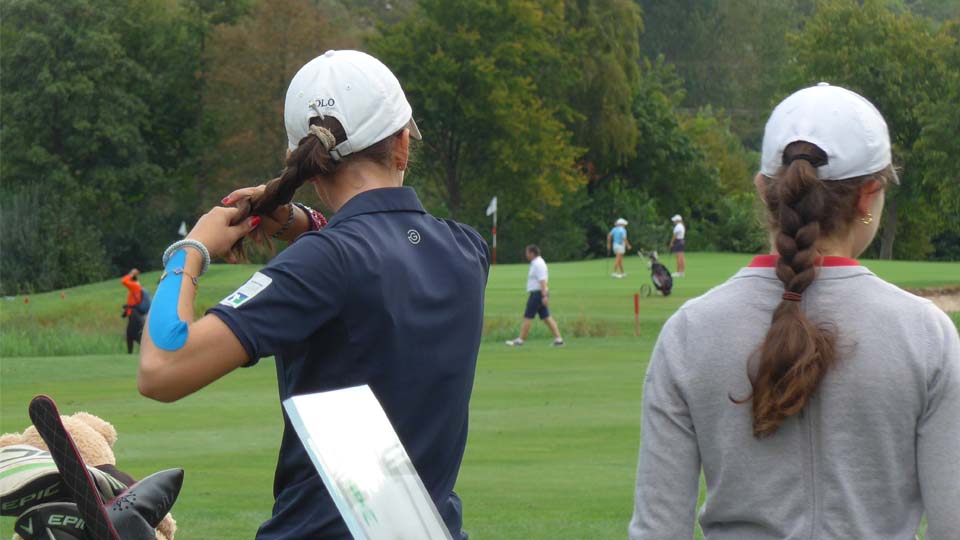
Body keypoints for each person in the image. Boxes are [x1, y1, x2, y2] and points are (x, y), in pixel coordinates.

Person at [138, 50, 490, 540]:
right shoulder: (468, 249)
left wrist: (191, 250)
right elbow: (379, 249)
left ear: (308, 164)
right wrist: (304, 225)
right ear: (402, 145)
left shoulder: (325, 261)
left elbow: (162, 369)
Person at [629, 83, 960, 539]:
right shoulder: (926, 335)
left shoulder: (690, 330)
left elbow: (657, 529)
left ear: (763, 188)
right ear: (869, 195)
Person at [505, 245, 564, 347]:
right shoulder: (536, 263)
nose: (526, 255)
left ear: (532, 253)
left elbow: (542, 280)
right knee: (546, 317)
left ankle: (520, 340)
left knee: (528, 316)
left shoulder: (538, 264)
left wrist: (544, 295)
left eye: (527, 252)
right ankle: (559, 339)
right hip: (539, 293)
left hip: (538, 294)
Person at [120, 268, 145, 354]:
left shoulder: (134, 286)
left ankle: (144, 351)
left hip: (134, 315)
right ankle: (131, 353)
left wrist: (131, 274)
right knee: (131, 334)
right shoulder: (137, 286)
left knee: (132, 334)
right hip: (134, 314)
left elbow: (123, 281)